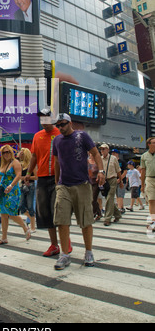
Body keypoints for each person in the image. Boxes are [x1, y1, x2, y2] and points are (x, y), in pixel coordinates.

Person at [53, 114, 105, 270]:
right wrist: (57, 182)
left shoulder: (82, 136)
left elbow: (95, 153)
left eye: (63, 124)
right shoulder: (56, 140)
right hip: (64, 186)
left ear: (70, 123)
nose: (60, 127)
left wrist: (101, 170)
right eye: (58, 125)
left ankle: (89, 252)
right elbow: (56, 161)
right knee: (61, 220)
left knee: (85, 221)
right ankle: (64, 254)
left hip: (82, 184)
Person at [25, 112, 66, 257]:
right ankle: (54, 245)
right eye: (42, 119)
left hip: (58, 178)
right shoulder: (37, 136)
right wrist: (29, 173)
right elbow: (34, 156)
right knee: (45, 212)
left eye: (46, 118)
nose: (43, 122)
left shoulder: (60, 133)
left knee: (58, 211)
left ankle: (65, 242)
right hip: (42, 178)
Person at [0, 145, 31, 245]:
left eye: (8, 152)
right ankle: (4, 238)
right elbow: (0, 176)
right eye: (4, 152)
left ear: (11, 152)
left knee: (11, 213)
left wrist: (10, 185)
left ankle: (24, 226)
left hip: (12, 192)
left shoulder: (15, 162)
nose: (6, 154)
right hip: (3, 192)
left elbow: (18, 175)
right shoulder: (3, 163)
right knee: (3, 214)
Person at [100, 144, 122, 226]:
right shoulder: (100, 159)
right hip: (104, 181)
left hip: (112, 179)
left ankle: (107, 218)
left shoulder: (113, 159)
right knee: (108, 199)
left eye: (104, 149)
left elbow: (118, 170)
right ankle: (117, 214)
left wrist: (121, 181)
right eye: (101, 149)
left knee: (109, 198)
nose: (102, 151)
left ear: (107, 150)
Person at [18, 148, 37, 232]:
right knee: (21, 206)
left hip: (30, 186)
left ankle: (33, 226)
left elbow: (36, 177)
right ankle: (32, 219)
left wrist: (27, 177)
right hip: (22, 186)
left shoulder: (31, 165)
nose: (19, 155)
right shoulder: (20, 165)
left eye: (21, 154)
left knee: (30, 206)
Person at [140, 138, 155, 231]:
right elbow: (143, 171)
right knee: (151, 200)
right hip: (149, 179)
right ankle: (153, 221)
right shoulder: (144, 156)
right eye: (154, 143)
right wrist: (142, 185)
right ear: (149, 144)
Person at [112, 149, 127, 214]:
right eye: (112, 153)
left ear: (117, 154)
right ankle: (122, 207)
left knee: (120, 194)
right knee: (117, 195)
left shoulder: (122, 162)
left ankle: (120, 208)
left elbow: (125, 171)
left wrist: (120, 179)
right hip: (113, 180)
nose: (113, 154)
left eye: (114, 153)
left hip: (121, 181)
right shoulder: (111, 162)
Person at [88, 152, 102, 221]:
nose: (92, 155)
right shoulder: (87, 162)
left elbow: (101, 171)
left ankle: (93, 214)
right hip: (88, 182)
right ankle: (99, 213)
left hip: (96, 182)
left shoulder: (98, 162)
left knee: (93, 198)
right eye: (91, 154)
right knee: (90, 199)